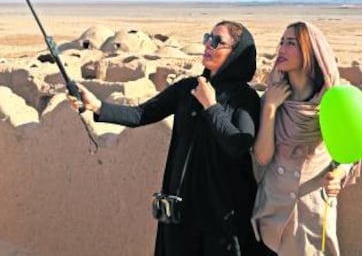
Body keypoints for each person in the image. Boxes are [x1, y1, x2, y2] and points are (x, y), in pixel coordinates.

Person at [68, 20, 268, 256]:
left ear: (235, 53)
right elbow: (141, 114)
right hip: (182, 211)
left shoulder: (244, 98)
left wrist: (211, 106)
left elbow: (238, 144)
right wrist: (98, 106)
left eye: (217, 41)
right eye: (207, 37)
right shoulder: (188, 88)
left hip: (223, 214)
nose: (208, 45)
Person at [251, 21, 360, 256]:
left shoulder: (332, 103)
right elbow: (262, 157)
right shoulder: (272, 97)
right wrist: (270, 108)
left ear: (310, 51)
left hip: (312, 216)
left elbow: (350, 149)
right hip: (273, 214)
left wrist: (339, 175)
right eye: (281, 42)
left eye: (291, 43)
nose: (281, 48)